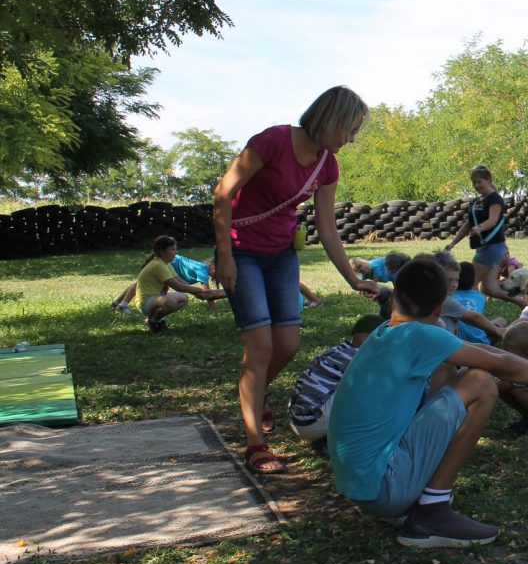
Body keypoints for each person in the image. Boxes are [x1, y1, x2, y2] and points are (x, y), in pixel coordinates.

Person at [327, 257, 528, 547]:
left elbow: (484, 352)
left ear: (395, 298)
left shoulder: (384, 332)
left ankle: (422, 500)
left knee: (451, 369)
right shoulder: (420, 336)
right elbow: (502, 364)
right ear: (440, 308)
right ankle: (432, 510)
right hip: (385, 487)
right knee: (480, 382)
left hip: (361, 484)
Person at [213, 86, 380, 475]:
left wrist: (353, 279)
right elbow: (223, 192)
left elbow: (327, 227)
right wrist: (225, 256)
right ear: (332, 120)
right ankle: (255, 442)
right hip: (242, 252)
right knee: (259, 347)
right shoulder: (272, 141)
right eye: (351, 129)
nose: (352, 139)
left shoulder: (328, 165)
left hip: (281, 255)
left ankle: (254, 393)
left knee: (287, 344)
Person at [288, 315, 387, 449]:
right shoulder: (360, 357)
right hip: (311, 421)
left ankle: (328, 435)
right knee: (376, 389)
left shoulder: (338, 350)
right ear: (367, 339)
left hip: (298, 419)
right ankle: (344, 440)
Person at [445, 165, 524, 305]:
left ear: (488, 180)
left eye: (479, 181)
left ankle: (473, 311)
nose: (476, 185)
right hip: (485, 247)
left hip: (493, 247)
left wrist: (480, 228)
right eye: (474, 182)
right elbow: (468, 224)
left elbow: (493, 220)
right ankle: (524, 303)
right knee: (489, 288)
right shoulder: (476, 202)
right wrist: (453, 243)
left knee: (471, 282)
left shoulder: (495, 199)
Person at [131, 235, 221, 333]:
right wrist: (199, 290)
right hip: (145, 302)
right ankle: (153, 321)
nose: (175, 252)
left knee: (183, 298)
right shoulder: (158, 265)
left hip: (154, 298)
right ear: (162, 251)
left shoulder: (165, 264)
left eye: (175, 249)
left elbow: (180, 281)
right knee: (170, 303)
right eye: (172, 249)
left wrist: (197, 293)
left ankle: (160, 320)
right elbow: (177, 286)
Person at [113, 251, 223, 314]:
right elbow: (207, 293)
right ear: (211, 265)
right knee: (139, 284)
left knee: (140, 283)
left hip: (171, 262)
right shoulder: (202, 270)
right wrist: (213, 311)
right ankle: (123, 304)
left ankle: (117, 302)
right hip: (171, 262)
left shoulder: (201, 268)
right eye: (218, 271)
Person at [428, 253, 505, 343]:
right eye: (449, 280)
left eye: (456, 280)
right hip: (452, 347)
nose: (454, 285)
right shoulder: (444, 301)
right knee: (502, 324)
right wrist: (499, 332)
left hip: (453, 343)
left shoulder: (428, 297)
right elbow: (475, 317)